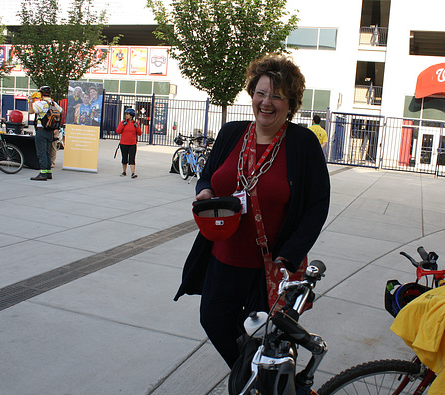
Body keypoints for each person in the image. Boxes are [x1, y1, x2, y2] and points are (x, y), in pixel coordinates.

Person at [175, 54, 331, 367]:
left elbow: (317, 206)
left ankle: (267, 391)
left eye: (277, 95)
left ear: (291, 103)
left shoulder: (302, 144)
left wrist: (289, 255)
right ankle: (251, 380)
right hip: (223, 260)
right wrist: (204, 189)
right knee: (215, 323)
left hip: (270, 268)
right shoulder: (232, 132)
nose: (266, 102)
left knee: (269, 341)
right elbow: (209, 175)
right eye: (260, 93)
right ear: (252, 95)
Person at [29, 85, 62, 181]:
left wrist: (30, 100)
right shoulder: (53, 103)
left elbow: (31, 111)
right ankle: (48, 172)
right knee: (47, 152)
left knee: (41, 153)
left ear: (41, 94)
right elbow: (61, 111)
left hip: (41, 130)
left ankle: (43, 173)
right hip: (50, 131)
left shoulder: (41, 104)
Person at [116, 108, 142, 178]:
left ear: (131, 115)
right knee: (124, 158)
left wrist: (137, 127)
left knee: (132, 158)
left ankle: (133, 173)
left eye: (127, 114)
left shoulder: (135, 123)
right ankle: (124, 171)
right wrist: (122, 125)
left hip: (132, 144)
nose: (126, 115)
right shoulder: (123, 123)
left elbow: (139, 133)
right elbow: (118, 131)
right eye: (126, 114)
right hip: (123, 143)